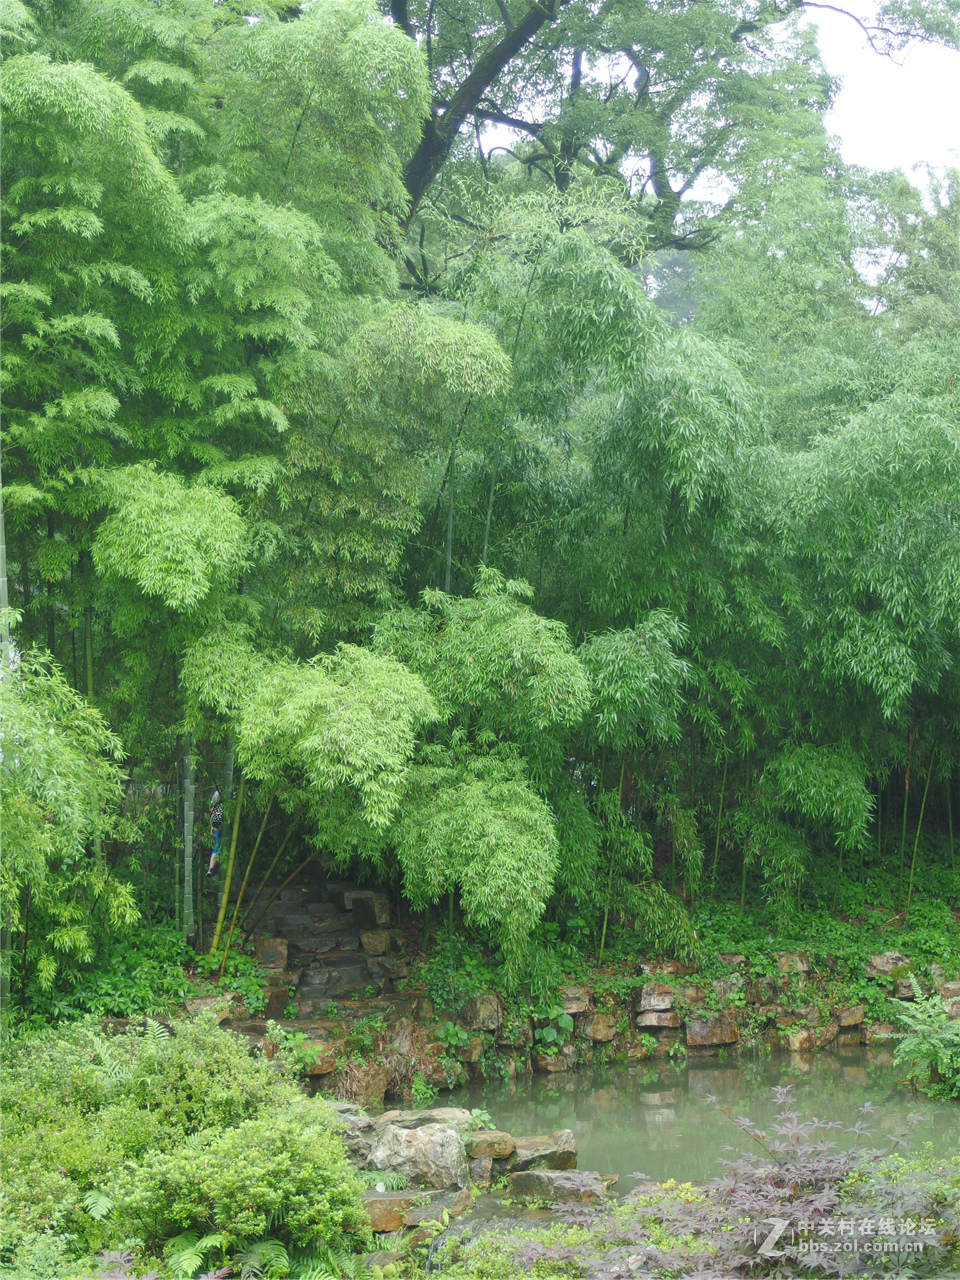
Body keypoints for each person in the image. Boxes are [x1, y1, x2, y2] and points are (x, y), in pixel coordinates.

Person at [206, 787, 223, 876]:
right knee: (232, 849)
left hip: (218, 825)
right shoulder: (233, 792)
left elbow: (213, 809)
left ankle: (210, 869)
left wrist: (212, 825)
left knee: (217, 848)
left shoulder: (218, 793)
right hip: (230, 825)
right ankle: (232, 876)